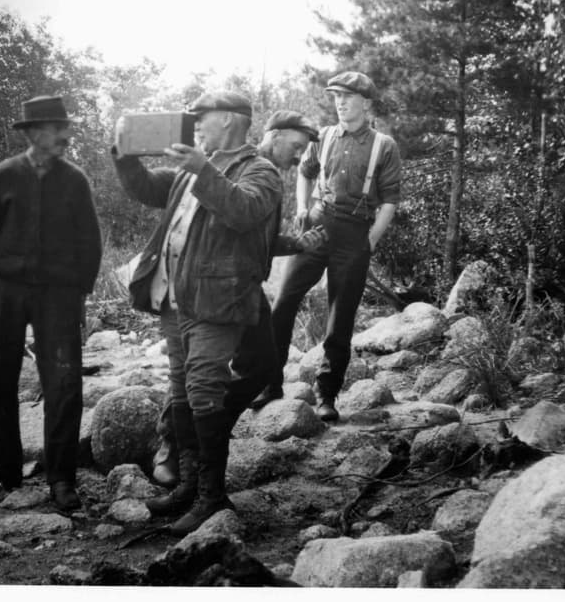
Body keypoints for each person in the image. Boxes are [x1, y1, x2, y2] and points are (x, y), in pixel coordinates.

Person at [111, 91, 282, 536]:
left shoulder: (261, 171)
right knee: (184, 391)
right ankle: (190, 485)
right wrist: (123, 155)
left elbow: (243, 212)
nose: (196, 127)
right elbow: (145, 187)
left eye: (202, 118)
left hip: (217, 301)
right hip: (174, 298)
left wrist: (201, 170)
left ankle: (212, 496)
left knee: (205, 388)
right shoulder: (193, 170)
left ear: (228, 120)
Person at [149, 110, 320, 488]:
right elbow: (237, 213)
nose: (298, 157)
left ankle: (201, 434)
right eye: (295, 147)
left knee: (259, 366)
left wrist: (295, 242)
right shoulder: (242, 168)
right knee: (194, 375)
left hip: (240, 284)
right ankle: (178, 445)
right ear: (274, 137)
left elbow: (252, 236)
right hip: (213, 289)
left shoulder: (261, 174)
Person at [0, 95, 102, 512]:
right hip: (5, 290)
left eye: (65, 129)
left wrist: (81, 291)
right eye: (58, 130)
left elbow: (90, 241)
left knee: (63, 384)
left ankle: (61, 479)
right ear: (36, 133)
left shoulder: (75, 179)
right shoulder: (5, 175)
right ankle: (5, 465)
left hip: (59, 295)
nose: (65, 136)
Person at [258, 71, 402, 421]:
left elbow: (389, 201)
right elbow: (305, 173)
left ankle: (327, 394)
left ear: (365, 103)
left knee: (340, 319)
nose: (340, 102)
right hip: (318, 227)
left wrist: (369, 241)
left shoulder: (384, 145)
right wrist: (303, 209)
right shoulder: (321, 137)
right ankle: (270, 382)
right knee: (284, 302)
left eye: (348, 97)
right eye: (337, 96)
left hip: (356, 233)